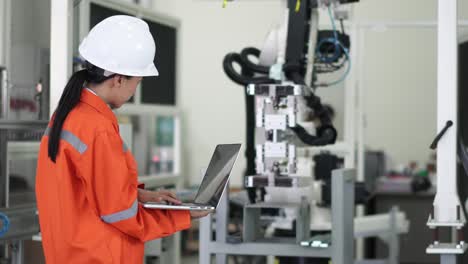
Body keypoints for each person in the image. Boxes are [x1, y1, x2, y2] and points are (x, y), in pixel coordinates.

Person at [35, 15, 210, 263]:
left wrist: (140, 196)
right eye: (136, 83)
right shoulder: (98, 129)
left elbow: (85, 192)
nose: (134, 91)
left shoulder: (69, 115)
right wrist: (184, 215)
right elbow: (121, 215)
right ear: (118, 79)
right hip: (99, 256)